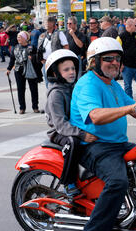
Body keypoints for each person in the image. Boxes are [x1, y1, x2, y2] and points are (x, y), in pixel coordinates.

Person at [69, 37, 136, 231]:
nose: (114, 62)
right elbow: (95, 116)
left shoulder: (112, 85)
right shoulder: (88, 84)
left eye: (117, 58)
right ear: (94, 61)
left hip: (117, 143)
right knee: (117, 182)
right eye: (108, 59)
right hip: (96, 146)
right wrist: (130, 109)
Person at [44, 49, 97, 196]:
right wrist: (82, 134)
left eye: (73, 68)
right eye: (66, 70)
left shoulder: (73, 88)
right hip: (59, 132)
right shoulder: (56, 94)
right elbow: (60, 124)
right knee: (73, 142)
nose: (71, 72)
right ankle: (68, 182)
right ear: (55, 73)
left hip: (74, 126)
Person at [6, 32, 40, 114]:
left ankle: (35, 107)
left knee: (33, 89)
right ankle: (22, 108)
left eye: (20, 37)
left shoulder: (32, 47)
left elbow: (38, 58)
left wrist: (32, 58)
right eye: (18, 37)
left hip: (30, 70)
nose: (18, 39)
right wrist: (8, 69)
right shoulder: (15, 47)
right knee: (20, 89)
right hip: (18, 70)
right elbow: (12, 59)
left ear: (25, 38)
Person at [117, 18, 136, 100]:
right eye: (135, 25)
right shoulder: (121, 37)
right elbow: (117, 51)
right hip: (126, 66)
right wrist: (120, 64)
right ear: (129, 25)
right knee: (127, 86)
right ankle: (129, 103)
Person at [37, 16, 69, 88]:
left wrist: (62, 60)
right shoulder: (42, 35)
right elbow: (39, 49)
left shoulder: (59, 33)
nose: (46, 24)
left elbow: (66, 47)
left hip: (57, 62)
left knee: (58, 82)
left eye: (48, 22)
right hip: (46, 63)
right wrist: (42, 59)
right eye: (45, 22)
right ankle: (50, 96)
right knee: (47, 83)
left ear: (53, 23)